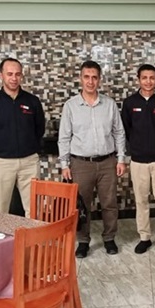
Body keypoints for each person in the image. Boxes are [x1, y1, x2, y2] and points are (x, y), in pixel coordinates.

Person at [58, 60, 126, 258]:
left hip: (107, 162)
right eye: (86, 77)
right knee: (81, 205)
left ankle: (109, 238)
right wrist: (64, 164)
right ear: (80, 79)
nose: (90, 81)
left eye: (94, 77)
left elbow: (119, 133)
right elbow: (64, 137)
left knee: (109, 203)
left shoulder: (109, 105)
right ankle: (83, 241)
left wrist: (121, 158)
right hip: (80, 163)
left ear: (99, 80)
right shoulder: (71, 106)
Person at [0, 58, 45, 218]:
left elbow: (39, 129)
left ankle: (34, 236)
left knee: (34, 210)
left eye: (17, 74)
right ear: (0, 75)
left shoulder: (33, 101)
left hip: (29, 162)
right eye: (9, 74)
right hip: (2, 163)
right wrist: (2, 149)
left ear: (22, 76)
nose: (14, 78)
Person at [121, 64, 155, 254]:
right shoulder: (130, 103)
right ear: (138, 79)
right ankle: (144, 237)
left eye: (152, 78)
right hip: (138, 161)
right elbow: (126, 130)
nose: (148, 81)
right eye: (144, 78)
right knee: (141, 201)